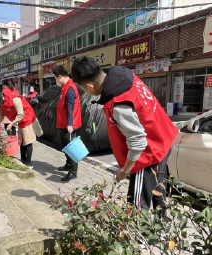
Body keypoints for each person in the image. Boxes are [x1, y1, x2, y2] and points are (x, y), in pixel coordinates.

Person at [71, 56, 178, 210]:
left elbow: (138, 142)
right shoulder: (124, 76)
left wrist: (125, 170)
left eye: (83, 88)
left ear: (90, 85)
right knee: (158, 195)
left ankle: (139, 233)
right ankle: (161, 230)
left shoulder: (119, 103)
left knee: (137, 207)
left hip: (148, 155)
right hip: (162, 140)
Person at [0, 89, 43, 169]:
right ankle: (23, 160)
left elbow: (21, 114)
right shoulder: (1, 103)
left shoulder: (14, 99)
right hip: (20, 121)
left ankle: (29, 163)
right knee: (21, 140)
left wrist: (11, 124)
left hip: (27, 118)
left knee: (27, 141)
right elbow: (0, 116)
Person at [53, 65, 82, 182]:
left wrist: (70, 124)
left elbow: (70, 108)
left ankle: (73, 172)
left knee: (72, 148)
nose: (56, 81)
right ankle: (68, 165)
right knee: (65, 147)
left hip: (69, 125)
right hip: (63, 123)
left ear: (60, 77)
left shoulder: (70, 89)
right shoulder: (65, 87)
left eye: (56, 78)